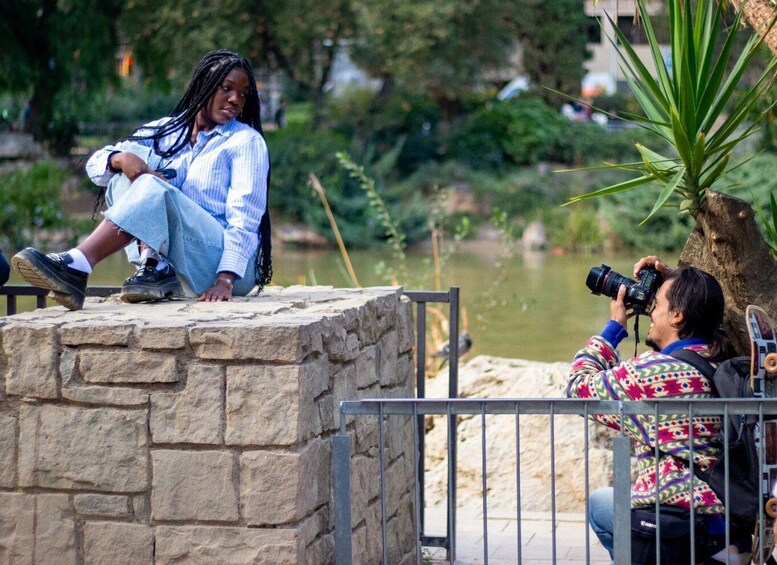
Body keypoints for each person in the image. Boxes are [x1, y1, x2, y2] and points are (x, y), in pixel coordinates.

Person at [12, 49, 272, 311]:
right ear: (204, 86)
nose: (235, 100)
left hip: (226, 266)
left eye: (243, 93)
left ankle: (79, 263)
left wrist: (225, 280)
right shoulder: (167, 131)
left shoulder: (245, 142)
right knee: (122, 176)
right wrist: (120, 159)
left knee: (149, 184)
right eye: (226, 88)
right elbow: (96, 166)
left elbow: (244, 221)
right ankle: (153, 265)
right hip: (181, 259)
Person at [563, 256, 749, 563]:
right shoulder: (727, 359)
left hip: (682, 528)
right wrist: (675, 279)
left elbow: (577, 389)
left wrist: (612, 329)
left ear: (676, 316)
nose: (650, 309)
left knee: (600, 505)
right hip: (731, 526)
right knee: (606, 502)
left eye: (657, 303)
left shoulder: (656, 372)